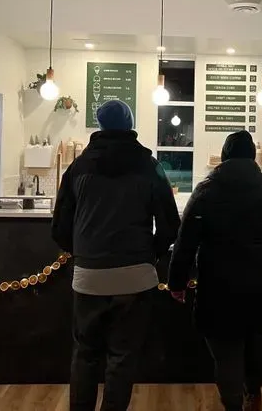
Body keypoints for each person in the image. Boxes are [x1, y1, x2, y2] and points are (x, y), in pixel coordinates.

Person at [52, 99, 180, 411]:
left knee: (85, 354)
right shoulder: (149, 166)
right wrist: (149, 254)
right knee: (122, 357)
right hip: (135, 277)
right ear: (130, 124)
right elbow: (170, 225)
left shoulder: (78, 167)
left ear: (99, 125)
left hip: (89, 277)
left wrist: (84, 254)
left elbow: (59, 228)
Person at [167, 130, 262, 411]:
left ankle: (233, 404)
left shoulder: (205, 191)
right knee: (255, 345)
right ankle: (253, 393)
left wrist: (176, 282)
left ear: (224, 156)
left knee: (226, 355)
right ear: (252, 157)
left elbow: (185, 242)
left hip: (217, 286)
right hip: (258, 284)